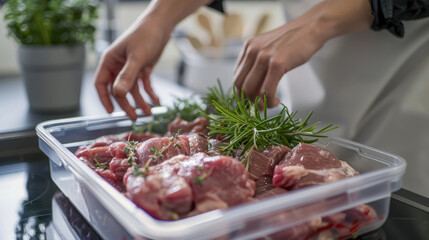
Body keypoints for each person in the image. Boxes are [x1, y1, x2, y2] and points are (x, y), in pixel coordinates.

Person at [94, 0, 429, 197]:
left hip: (404, 91)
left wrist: (318, 20)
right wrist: (158, 17)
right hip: (312, 111)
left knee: (397, 197)